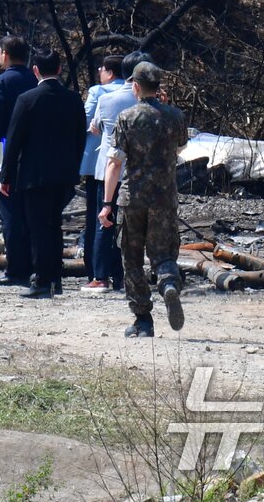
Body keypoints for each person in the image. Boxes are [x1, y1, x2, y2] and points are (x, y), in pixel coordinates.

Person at [100, 61, 187, 336]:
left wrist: (106, 203)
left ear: (135, 86)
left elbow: (115, 163)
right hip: (165, 198)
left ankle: (143, 320)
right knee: (164, 252)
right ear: (157, 86)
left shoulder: (126, 118)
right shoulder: (175, 117)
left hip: (132, 198)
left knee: (132, 258)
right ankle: (169, 283)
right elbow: (180, 148)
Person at [0, 49, 86, 299]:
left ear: (35, 70)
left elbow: (14, 141)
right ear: (59, 69)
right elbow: (80, 138)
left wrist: (6, 176)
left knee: (38, 228)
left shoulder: (27, 99)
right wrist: (75, 168)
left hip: (34, 175)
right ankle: (56, 278)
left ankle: (42, 280)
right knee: (54, 225)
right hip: (64, 174)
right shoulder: (73, 99)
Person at [83, 53, 146, 292]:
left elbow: (95, 127)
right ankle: (123, 275)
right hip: (137, 170)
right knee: (130, 225)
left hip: (108, 169)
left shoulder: (106, 99)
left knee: (104, 222)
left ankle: (100, 276)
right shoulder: (146, 103)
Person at [0, 35, 38, 286]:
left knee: (11, 213)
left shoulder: (2, 83)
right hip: (35, 154)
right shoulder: (35, 80)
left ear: (4, 54)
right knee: (31, 213)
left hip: (7, 154)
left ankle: (16, 269)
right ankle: (35, 265)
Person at [78, 55, 124, 286]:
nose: (99, 71)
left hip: (99, 164)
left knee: (97, 218)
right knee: (119, 219)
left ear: (110, 72)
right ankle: (119, 273)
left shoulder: (99, 93)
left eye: (102, 68)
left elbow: (85, 121)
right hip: (127, 166)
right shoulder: (135, 94)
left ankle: (96, 272)